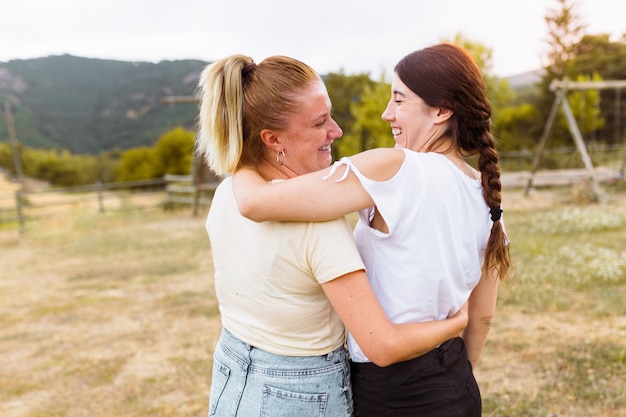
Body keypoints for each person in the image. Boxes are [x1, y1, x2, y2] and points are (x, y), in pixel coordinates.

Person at [232, 43, 513, 417]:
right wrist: (454, 381)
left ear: (442, 110)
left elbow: (254, 203)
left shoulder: (394, 168)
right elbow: (482, 317)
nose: (386, 114)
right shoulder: (488, 196)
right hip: (456, 382)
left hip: (392, 392)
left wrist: (240, 157)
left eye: (399, 101)